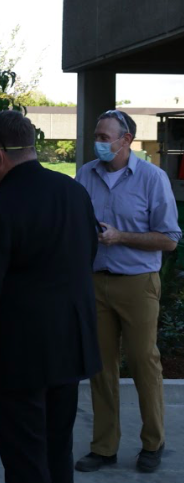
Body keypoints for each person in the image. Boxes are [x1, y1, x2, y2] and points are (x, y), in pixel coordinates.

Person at [0, 110, 102, 483]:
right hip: (69, 348)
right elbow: (87, 257)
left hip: (19, 358)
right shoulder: (75, 192)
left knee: (24, 463)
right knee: (57, 452)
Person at [74, 110, 181, 474]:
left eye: (105, 136)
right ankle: (104, 447)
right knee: (100, 368)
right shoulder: (85, 174)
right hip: (93, 281)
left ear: (126, 140)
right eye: (97, 135)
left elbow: (168, 240)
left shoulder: (152, 178)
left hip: (137, 283)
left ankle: (153, 443)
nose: (99, 142)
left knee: (142, 363)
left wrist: (120, 236)